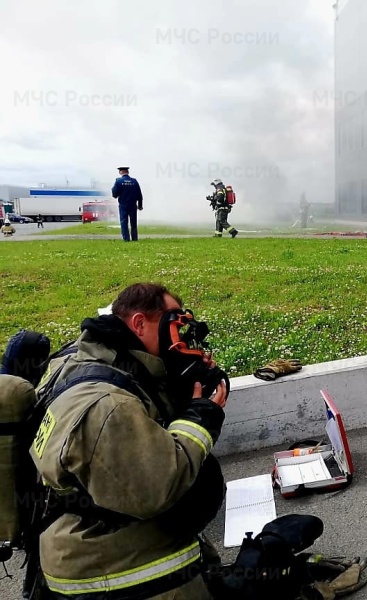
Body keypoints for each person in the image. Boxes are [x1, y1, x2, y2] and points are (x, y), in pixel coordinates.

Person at [29, 283, 228, 599]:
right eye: (175, 326)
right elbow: (158, 486)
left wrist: (178, 384)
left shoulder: (93, 356)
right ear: (139, 323)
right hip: (105, 565)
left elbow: (141, 410)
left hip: (81, 527)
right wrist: (200, 418)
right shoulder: (108, 405)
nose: (182, 339)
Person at [111, 166, 143, 242]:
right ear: (127, 172)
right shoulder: (134, 181)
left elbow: (114, 194)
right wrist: (140, 205)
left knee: (124, 222)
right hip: (133, 205)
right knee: (133, 223)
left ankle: (126, 238)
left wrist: (114, 188)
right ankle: (134, 238)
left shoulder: (118, 181)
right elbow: (139, 194)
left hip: (123, 205)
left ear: (120, 172)